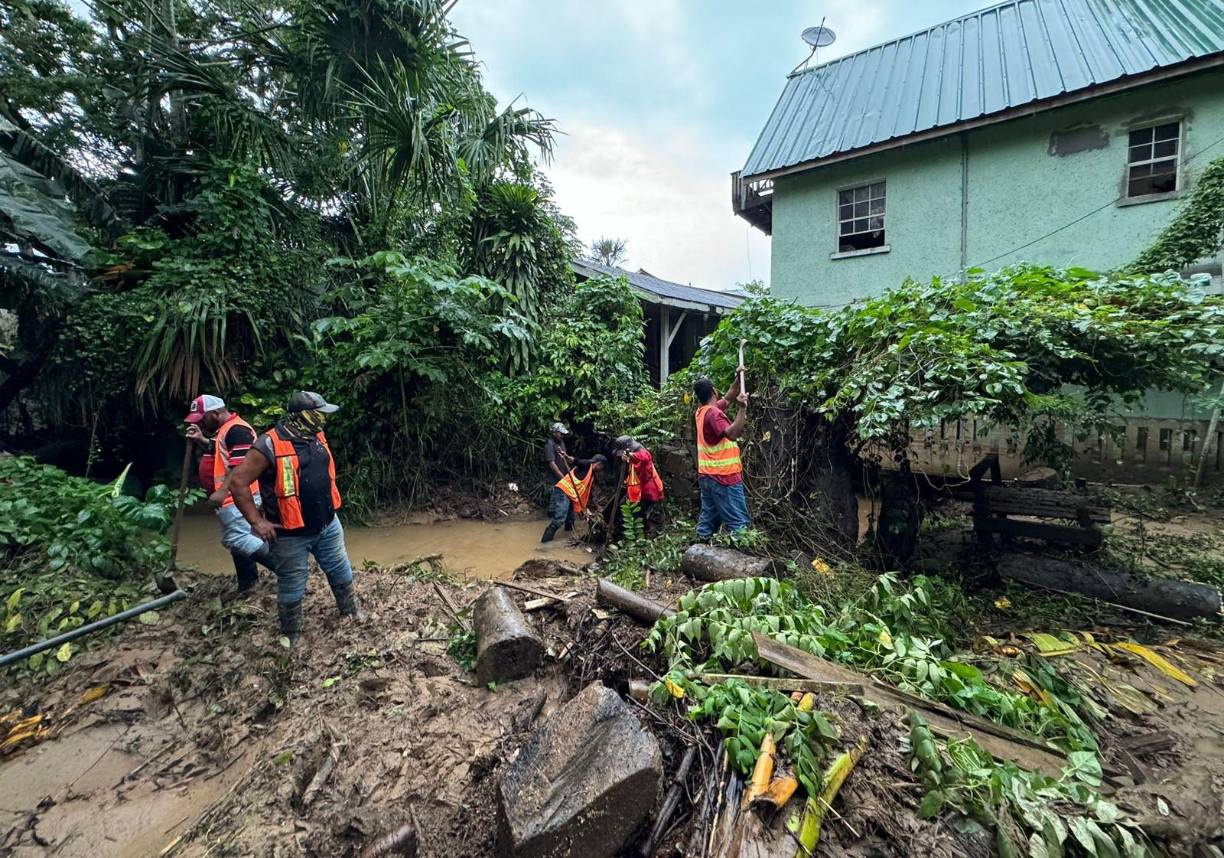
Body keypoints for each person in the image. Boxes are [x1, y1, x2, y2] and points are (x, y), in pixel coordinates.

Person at [227, 391, 360, 644]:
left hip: (327, 524)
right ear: (304, 416)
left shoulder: (315, 435)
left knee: (340, 569)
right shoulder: (268, 445)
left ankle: (351, 612)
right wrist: (257, 522)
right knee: (292, 583)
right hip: (290, 533)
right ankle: (292, 635)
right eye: (319, 414)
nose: (324, 420)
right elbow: (238, 483)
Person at [183, 394, 273, 600]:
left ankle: (286, 571)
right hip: (232, 497)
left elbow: (240, 466)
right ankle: (248, 583)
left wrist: (222, 491)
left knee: (237, 538)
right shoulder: (225, 430)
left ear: (215, 414)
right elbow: (220, 454)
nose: (200, 422)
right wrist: (201, 440)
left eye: (202, 418)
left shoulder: (237, 430)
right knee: (236, 540)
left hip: (238, 496)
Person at [693, 374, 751, 539]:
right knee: (738, 524)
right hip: (724, 478)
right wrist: (742, 408)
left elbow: (729, 396)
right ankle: (742, 560)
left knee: (708, 521)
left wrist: (739, 377)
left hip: (707, 476)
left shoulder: (702, 412)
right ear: (713, 391)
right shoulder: (714, 414)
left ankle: (699, 552)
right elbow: (732, 434)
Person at [543, 454, 608, 542]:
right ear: (599, 464)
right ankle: (544, 542)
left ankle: (567, 539)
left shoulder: (591, 475)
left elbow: (588, 494)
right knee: (560, 518)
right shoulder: (587, 464)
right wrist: (566, 457)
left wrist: (594, 507)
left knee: (570, 520)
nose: (601, 470)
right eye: (602, 468)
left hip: (571, 495)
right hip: (563, 491)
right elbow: (575, 461)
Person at [611, 436, 664, 533]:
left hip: (649, 491)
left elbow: (646, 456)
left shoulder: (641, 453)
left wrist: (631, 455)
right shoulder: (631, 459)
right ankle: (638, 531)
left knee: (637, 511)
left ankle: (643, 532)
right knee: (624, 506)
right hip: (638, 490)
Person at [542, 422, 575, 536]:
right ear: (554, 432)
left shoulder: (561, 443)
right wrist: (563, 478)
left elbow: (564, 458)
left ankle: (569, 534)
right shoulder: (549, 445)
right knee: (560, 514)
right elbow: (552, 464)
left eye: (563, 434)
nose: (562, 436)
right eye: (560, 434)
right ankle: (546, 541)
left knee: (571, 510)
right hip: (558, 482)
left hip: (565, 480)